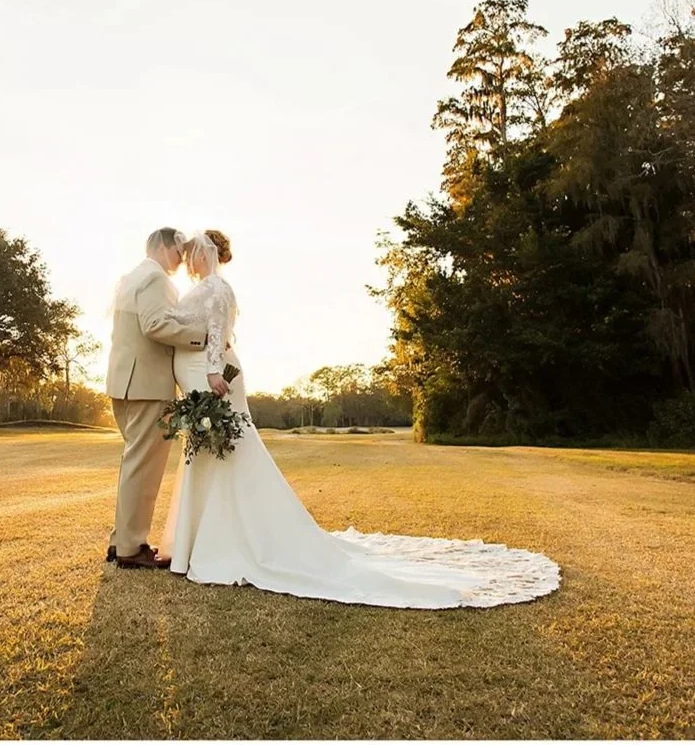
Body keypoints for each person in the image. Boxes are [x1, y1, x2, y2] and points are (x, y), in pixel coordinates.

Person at [156, 230, 561, 608]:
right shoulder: (203, 288)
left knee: (228, 449)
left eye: (194, 252)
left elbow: (216, 332)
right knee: (212, 451)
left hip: (215, 378)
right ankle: (203, 538)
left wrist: (212, 372)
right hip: (201, 379)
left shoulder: (218, 289)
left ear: (207, 253)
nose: (189, 258)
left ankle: (237, 541)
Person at [104, 227, 208, 569]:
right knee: (144, 469)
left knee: (133, 466)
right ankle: (132, 548)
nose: (181, 259)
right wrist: (201, 337)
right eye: (178, 251)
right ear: (163, 247)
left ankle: (121, 540)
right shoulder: (156, 279)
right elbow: (154, 325)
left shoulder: (131, 278)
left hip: (125, 382)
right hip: (147, 385)